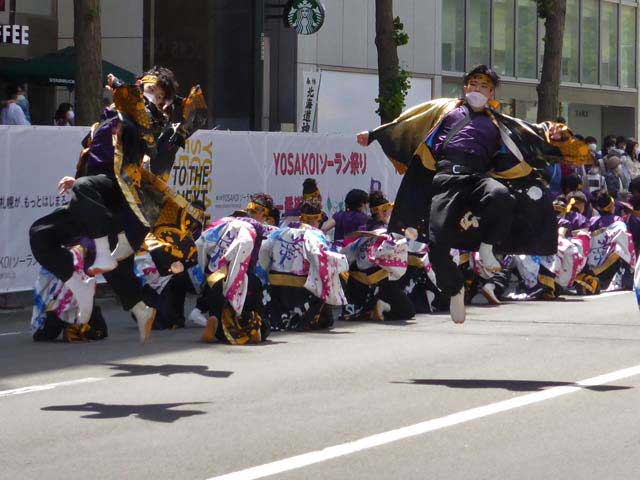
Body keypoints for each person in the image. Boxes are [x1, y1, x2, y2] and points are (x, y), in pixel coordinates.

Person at [356, 64, 590, 323]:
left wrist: (555, 133)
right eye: (474, 84)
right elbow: (409, 121)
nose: (478, 90)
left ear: (491, 93)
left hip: (477, 179)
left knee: (501, 194)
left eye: (484, 87)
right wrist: (374, 134)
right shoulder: (445, 110)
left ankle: (488, 247)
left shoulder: (499, 122)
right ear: (465, 87)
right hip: (444, 179)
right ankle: (455, 289)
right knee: (437, 246)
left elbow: (532, 132)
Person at [259, 203, 348, 331]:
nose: (319, 223)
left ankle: (279, 320)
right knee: (329, 280)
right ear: (315, 219)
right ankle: (301, 321)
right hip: (302, 287)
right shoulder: (315, 234)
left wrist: (267, 269)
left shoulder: (280, 231)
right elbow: (319, 256)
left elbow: (264, 250)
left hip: (276, 284)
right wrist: (341, 263)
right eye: (318, 220)